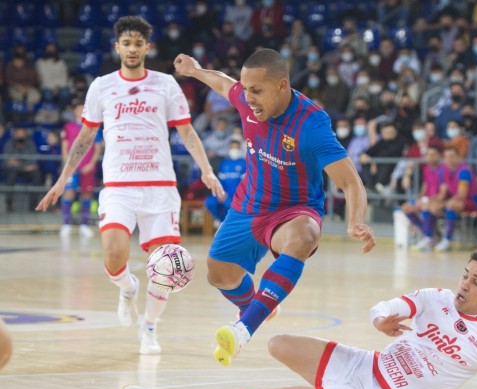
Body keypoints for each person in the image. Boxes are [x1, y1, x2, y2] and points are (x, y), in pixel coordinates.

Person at [121, 250, 477, 389]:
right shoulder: (437, 299)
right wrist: (382, 319)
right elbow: (385, 306)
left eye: (476, 282)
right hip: (365, 365)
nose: (464, 286)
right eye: (465, 276)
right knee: (279, 343)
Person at [172, 48, 375, 366]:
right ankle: (259, 303)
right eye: (247, 89)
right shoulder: (246, 97)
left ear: (282, 86)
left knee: (303, 237)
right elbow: (226, 85)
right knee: (219, 274)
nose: (248, 97)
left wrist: (355, 220)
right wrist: (196, 70)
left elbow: (350, 181)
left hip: (293, 211)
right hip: (249, 205)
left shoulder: (312, 123)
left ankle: (244, 329)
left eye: (257, 90)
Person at [36, 16, 225, 355]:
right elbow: (85, 136)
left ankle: (149, 328)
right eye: (127, 43)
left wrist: (206, 170)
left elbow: (186, 131)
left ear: (147, 47)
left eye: (139, 43)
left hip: (160, 187)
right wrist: (64, 178)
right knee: (112, 255)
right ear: (117, 47)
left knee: (165, 265)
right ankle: (127, 289)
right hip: (120, 185)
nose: (133, 48)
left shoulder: (166, 84)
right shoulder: (102, 86)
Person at [60, 102, 100, 238]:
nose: (81, 111)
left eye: (84, 109)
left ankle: (84, 225)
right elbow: (64, 146)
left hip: (88, 167)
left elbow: (98, 147)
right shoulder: (69, 127)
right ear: (75, 111)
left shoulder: (94, 126)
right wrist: (69, 165)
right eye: (79, 109)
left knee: (87, 194)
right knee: (69, 192)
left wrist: (92, 164)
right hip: (73, 167)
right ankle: (66, 225)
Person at [402, 147, 444, 245]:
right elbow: (425, 187)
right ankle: (427, 234)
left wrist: (427, 200)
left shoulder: (443, 170)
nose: (430, 157)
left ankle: (429, 237)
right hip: (427, 199)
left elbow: (443, 193)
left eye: (433, 155)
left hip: (437, 200)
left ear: (439, 156)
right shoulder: (426, 169)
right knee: (406, 208)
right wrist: (419, 199)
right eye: (428, 155)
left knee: (426, 206)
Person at [205, 140, 247, 224]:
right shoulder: (224, 163)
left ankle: (227, 223)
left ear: (240, 149)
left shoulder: (244, 163)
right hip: (224, 192)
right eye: (232, 148)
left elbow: (245, 184)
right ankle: (221, 220)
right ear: (229, 149)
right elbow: (221, 181)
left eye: (236, 148)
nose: (234, 150)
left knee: (228, 203)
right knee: (209, 202)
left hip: (237, 194)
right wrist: (221, 193)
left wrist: (235, 194)